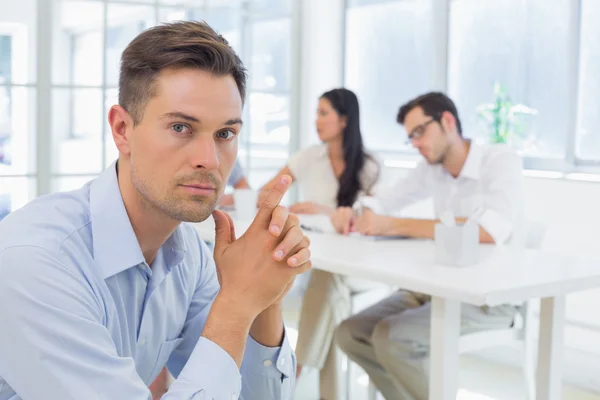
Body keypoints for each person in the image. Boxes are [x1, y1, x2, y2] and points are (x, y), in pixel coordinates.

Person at [0, 21, 312, 400]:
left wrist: (265, 297)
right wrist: (237, 302)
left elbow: (249, 395)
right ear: (121, 129)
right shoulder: (35, 261)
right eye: (181, 127)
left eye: (225, 134)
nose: (209, 160)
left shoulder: (191, 258)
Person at [330, 92, 525, 400]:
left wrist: (392, 224)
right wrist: (356, 211)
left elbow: (489, 229)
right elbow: (383, 201)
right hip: (435, 289)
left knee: (392, 338)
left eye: (419, 132)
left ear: (447, 121)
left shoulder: (499, 161)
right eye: (411, 138)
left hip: (487, 298)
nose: (416, 143)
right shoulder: (430, 169)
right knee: (350, 333)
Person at [258, 88, 381, 399]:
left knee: (327, 282)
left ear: (344, 120)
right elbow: (267, 193)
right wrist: (286, 207)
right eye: (316, 113)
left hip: (362, 268)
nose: (316, 120)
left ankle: (293, 374)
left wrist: (323, 210)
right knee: (328, 291)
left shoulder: (369, 165)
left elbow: (375, 220)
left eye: (324, 113)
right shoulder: (309, 158)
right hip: (326, 264)